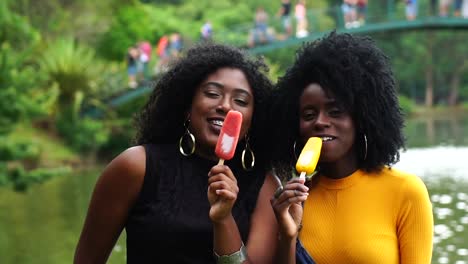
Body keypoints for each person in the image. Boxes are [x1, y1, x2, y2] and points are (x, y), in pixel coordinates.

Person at [73, 43, 281, 263]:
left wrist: (223, 219)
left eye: (240, 101)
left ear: (252, 121)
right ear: (187, 106)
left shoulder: (265, 187)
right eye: (212, 93)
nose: (226, 106)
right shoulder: (136, 167)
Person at [268, 31, 434, 263]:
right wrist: (287, 236)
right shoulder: (293, 201)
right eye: (309, 114)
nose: (320, 122)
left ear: (362, 118)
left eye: (335, 112)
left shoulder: (406, 191)